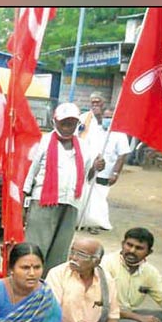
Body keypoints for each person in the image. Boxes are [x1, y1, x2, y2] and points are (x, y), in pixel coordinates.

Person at [24, 103, 103, 275]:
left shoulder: (83, 146)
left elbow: (86, 178)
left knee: (60, 250)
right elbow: (30, 173)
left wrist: (96, 168)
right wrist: (23, 204)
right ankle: (30, 282)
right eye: (64, 123)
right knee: (37, 246)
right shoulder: (43, 142)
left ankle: (51, 285)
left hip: (71, 203)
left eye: (72, 123)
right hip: (43, 202)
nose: (67, 128)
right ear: (55, 122)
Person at [101, 227, 162, 322]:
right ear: (122, 244)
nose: (132, 251)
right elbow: (104, 304)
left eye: (139, 248)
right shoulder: (107, 264)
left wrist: (140, 318)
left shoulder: (150, 272)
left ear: (149, 252)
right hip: (108, 316)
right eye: (129, 245)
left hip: (131, 314)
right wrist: (140, 318)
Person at [77, 105, 130, 234]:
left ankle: (95, 223)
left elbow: (122, 155)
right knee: (86, 196)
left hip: (106, 173)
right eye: (105, 117)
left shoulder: (120, 134)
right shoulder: (96, 131)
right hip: (90, 170)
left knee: (99, 198)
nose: (107, 120)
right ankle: (83, 222)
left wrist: (115, 173)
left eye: (110, 117)